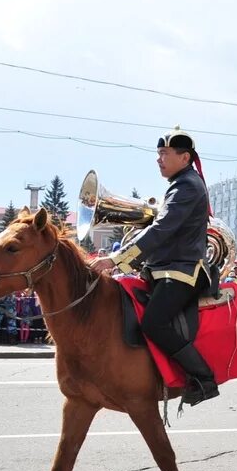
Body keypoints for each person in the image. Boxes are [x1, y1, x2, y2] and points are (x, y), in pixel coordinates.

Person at [90, 127, 221, 407]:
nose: (158, 159)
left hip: (182, 272)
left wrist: (115, 259)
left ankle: (203, 378)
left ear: (184, 157)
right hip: (165, 269)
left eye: (164, 153)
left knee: (154, 322)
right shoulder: (180, 183)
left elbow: (161, 230)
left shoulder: (187, 185)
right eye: (158, 153)